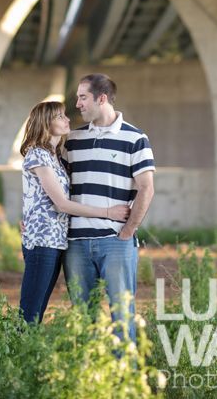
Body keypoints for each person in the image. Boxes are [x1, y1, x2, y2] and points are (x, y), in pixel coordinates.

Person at [19, 100, 130, 324]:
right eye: (60, 116)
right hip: (42, 242)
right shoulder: (37, 155)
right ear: (45, 123)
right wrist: (108, 212)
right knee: (30, 313)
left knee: (37, 310)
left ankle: (27, 356)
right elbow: (61, 204)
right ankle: (16, 355)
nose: (67, 119)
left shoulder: (56, 158)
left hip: (56, 241)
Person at [64, 74, 155, 342]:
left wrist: (129, 230)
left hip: (116, 242)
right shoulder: (72, 140)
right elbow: (55, 183)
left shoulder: (135, 138)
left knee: (122, 316)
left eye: (82, 97)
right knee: (83, 317)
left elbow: (146, 188)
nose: (77, 104)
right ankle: (88, 379)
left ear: (101, 98)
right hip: (76, 243)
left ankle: (125, 378)